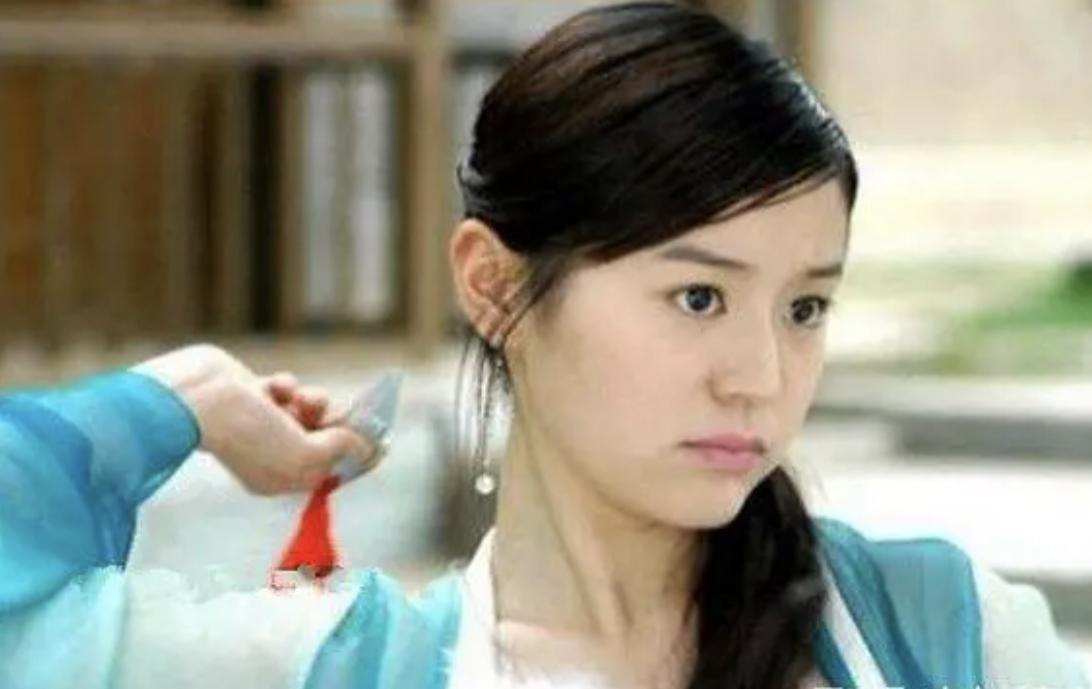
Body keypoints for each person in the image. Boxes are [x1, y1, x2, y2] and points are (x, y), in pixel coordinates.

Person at [0, 3, 1088, 689]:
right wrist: (184, 394)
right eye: (699, 296)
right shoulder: (333, 667)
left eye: (805, 308)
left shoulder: (943, 634)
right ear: (494, 284)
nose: (761, 377)